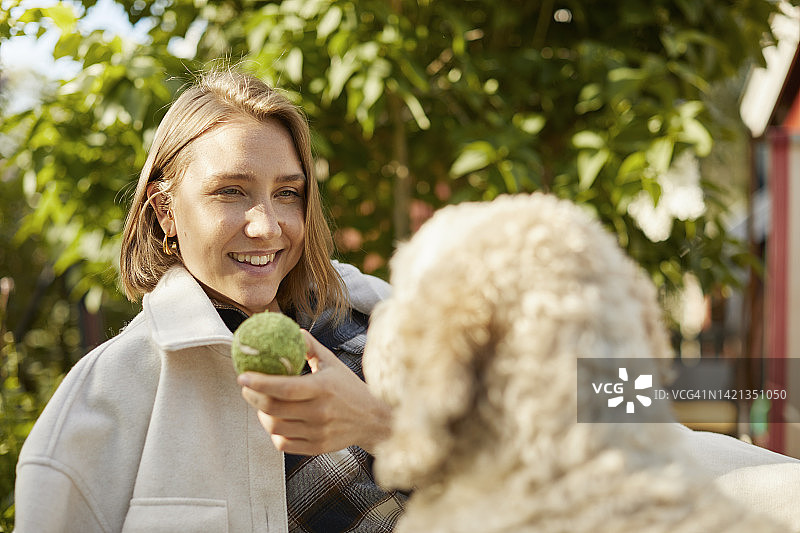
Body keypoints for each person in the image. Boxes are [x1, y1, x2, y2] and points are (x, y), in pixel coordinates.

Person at [14, 69, 407, 532]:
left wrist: (380, 427)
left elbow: (508, 481)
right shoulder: (102, 400)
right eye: (230, 192)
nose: (266, 226)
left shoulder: (386, 327)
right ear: (166, 212)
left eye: (287, 193)